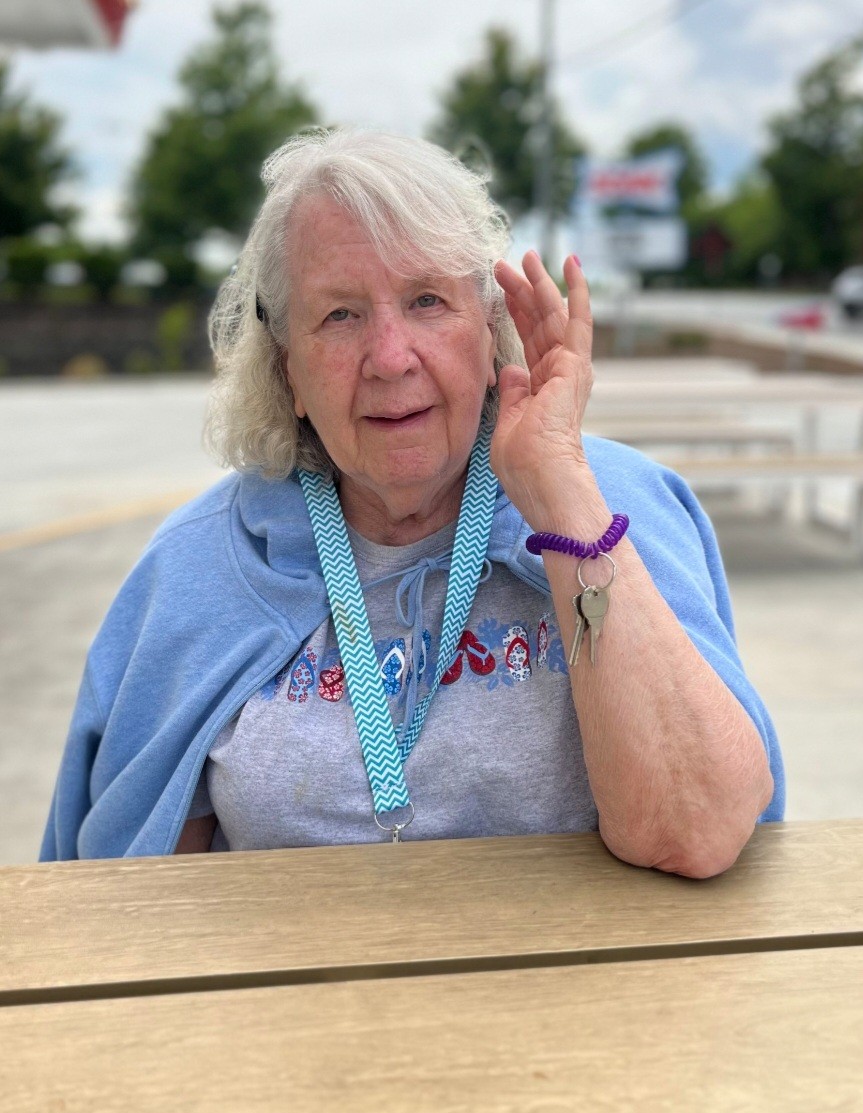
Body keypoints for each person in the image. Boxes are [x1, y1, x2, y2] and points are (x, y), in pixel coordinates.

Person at [40, 129, 783, 877]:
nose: (391, 358)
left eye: (427, 301)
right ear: (289, 372)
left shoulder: (619, 506)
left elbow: (696, 831)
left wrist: (562, 495)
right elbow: (139, 896)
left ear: (490, 331)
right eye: (340, 315)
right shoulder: (199, 566)